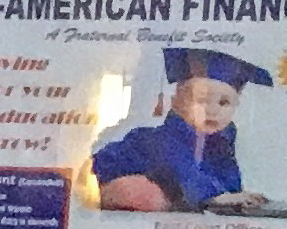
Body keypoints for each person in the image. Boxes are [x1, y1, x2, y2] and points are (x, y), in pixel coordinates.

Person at [90, 47, 271, 214]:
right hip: (117, 189)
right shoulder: (161, 140)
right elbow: (181, 168)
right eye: (201, 100)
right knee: (140, 192)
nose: (212, 110)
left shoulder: (220, 145)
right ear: (177, 103)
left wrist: (236, 194)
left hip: (178, 205)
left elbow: (225, 174)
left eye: (224, 103)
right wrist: (215, 196)